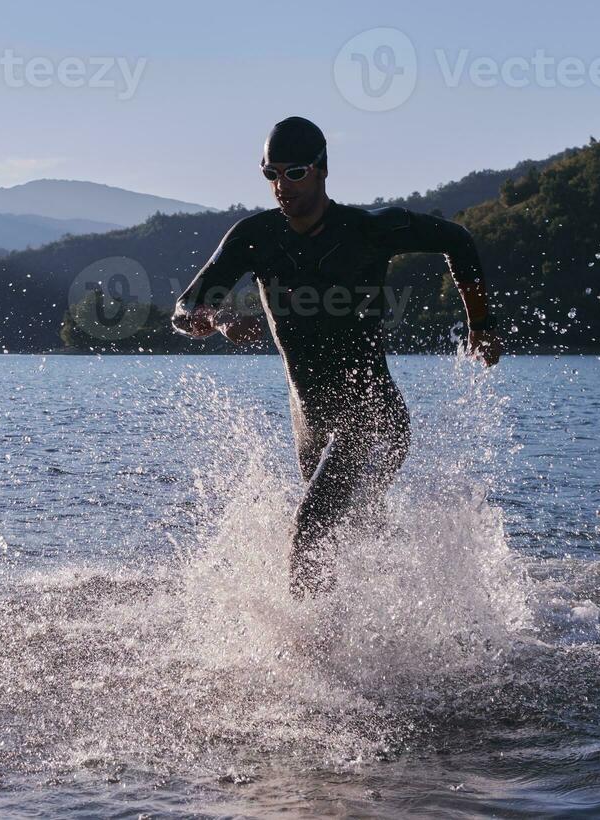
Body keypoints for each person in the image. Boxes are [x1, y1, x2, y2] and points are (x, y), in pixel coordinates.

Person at [172, 116, 500, 592]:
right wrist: (218, 320)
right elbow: (184, 308)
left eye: (296, 173)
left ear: (323, 169)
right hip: (311, 425)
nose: (283, 186)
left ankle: (310, 661)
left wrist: (481, 323)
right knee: (341, 541)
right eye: (272, 175)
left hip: (375, 415)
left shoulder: (368, 229)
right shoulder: (254, 238)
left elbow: (458, 240)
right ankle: (393, 632)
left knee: (310, 532)